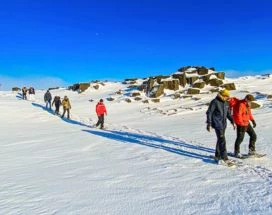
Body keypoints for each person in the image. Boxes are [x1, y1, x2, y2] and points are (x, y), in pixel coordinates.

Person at [206, 89, 235, 163]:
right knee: (222, 140)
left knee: (220, 139)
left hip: (223, 124)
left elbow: (228, 114)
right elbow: (209, 113)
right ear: (222, 95)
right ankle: (224, 158)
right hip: (217, 124)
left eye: (227, 97)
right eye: (226, 96)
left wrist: (232, 121)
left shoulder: (226, 103)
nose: (227, 98)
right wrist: (209, 123)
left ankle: (217, 156)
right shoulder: (215, 102)